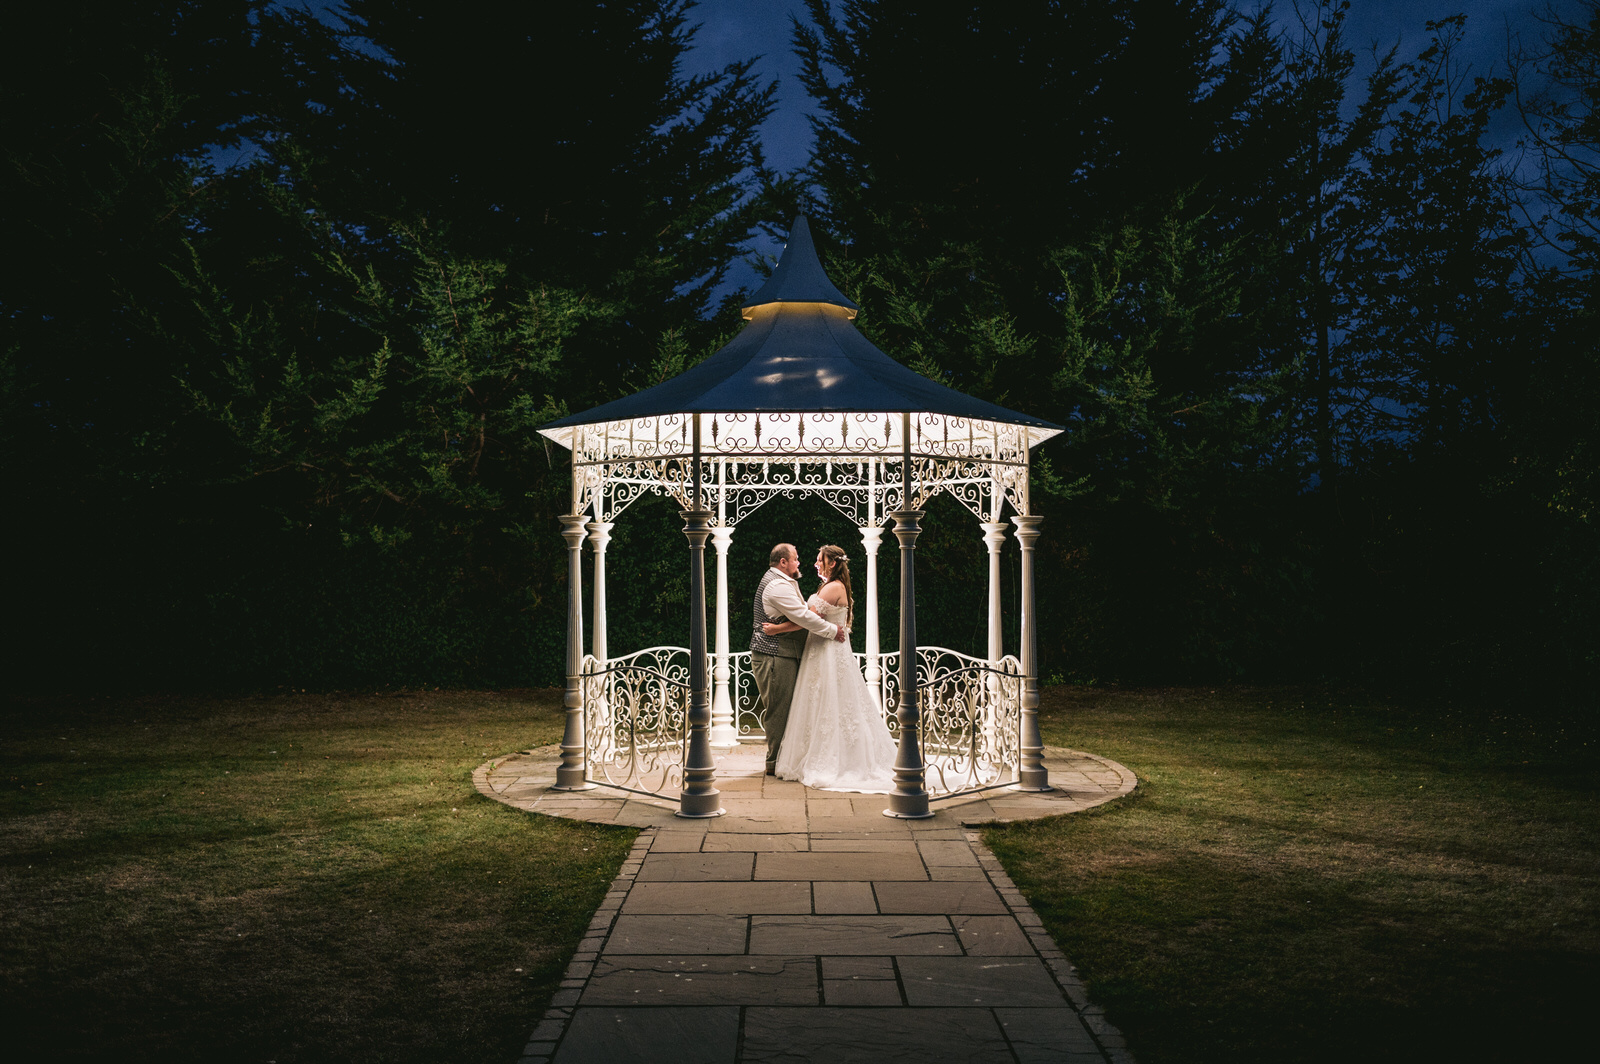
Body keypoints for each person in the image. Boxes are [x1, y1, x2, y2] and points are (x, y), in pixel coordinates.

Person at [765, 544, 898, 793]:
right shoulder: (830, 586)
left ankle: (833, 759)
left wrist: (776, 629)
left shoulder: (832, 588)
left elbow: (806, 621)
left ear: (832, 563)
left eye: (819, 560)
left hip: (827, 652)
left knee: (829, 701)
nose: (815, 563)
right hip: (823, 650)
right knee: (826, 702)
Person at [750, 543, 848, 776]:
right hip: (774, 653)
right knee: (779, 709)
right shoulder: (777, 586)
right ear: (783, 562)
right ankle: (774, 763)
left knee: (791, 708)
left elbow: (805, 616)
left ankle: (789, 759)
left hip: (787, 652)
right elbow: (805, 617)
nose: (800, 562)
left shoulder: (785, 582)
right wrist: (833, 631)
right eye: (795, 559)